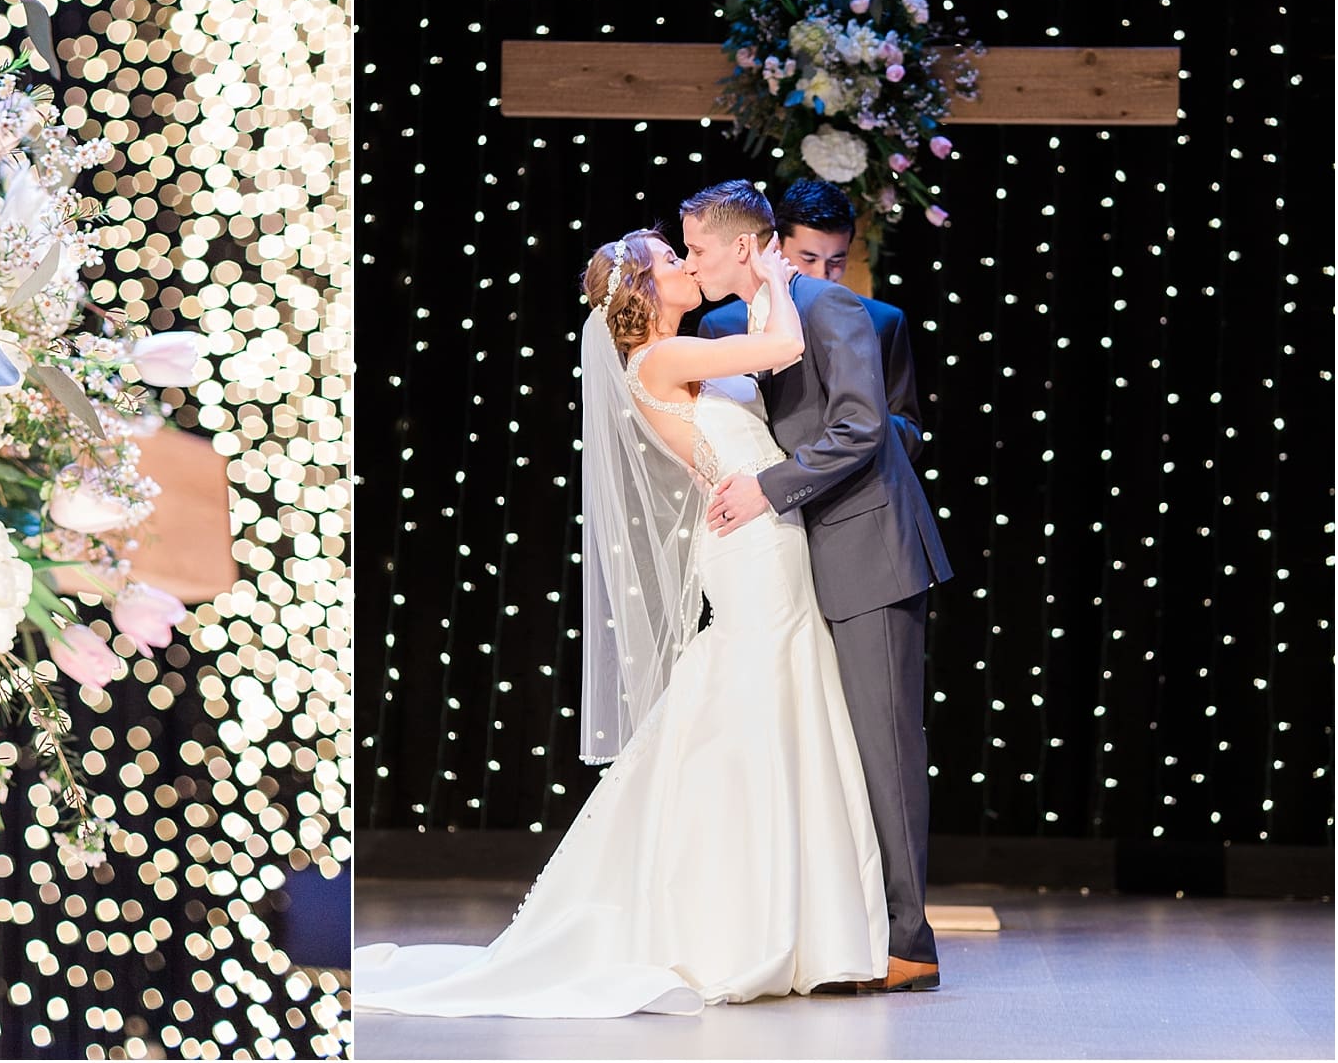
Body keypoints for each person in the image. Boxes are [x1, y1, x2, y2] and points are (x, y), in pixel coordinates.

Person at [353, 227, 889, 1018]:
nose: (685, 264)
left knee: (772, 704)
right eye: (673, 261)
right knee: (763, 706)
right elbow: (777, 347)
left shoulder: (678, 354)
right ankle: (745, 920)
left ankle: (792, 916)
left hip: (760, 536)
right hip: (750, 548)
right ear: (643, 289)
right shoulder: (661, 360)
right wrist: (769, 272)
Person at [686, 180, 953, 995]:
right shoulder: (728, 327)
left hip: (867, 547)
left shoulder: (832, 309)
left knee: (882, 746)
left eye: (696, 247)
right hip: (791, 562)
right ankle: (844, 926)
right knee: (822, 752)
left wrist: (769, 485)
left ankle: (909, 940)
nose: (690, 260)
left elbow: (863, 428)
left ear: (740, 245)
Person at [697, 178, 924, 464]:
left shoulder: (883, 321)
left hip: (849, 488)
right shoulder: (721, 325)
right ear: (777, 247)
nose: (822, 274)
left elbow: (910, 432)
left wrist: (851, 419)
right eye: (809, 258)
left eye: (836, 261)